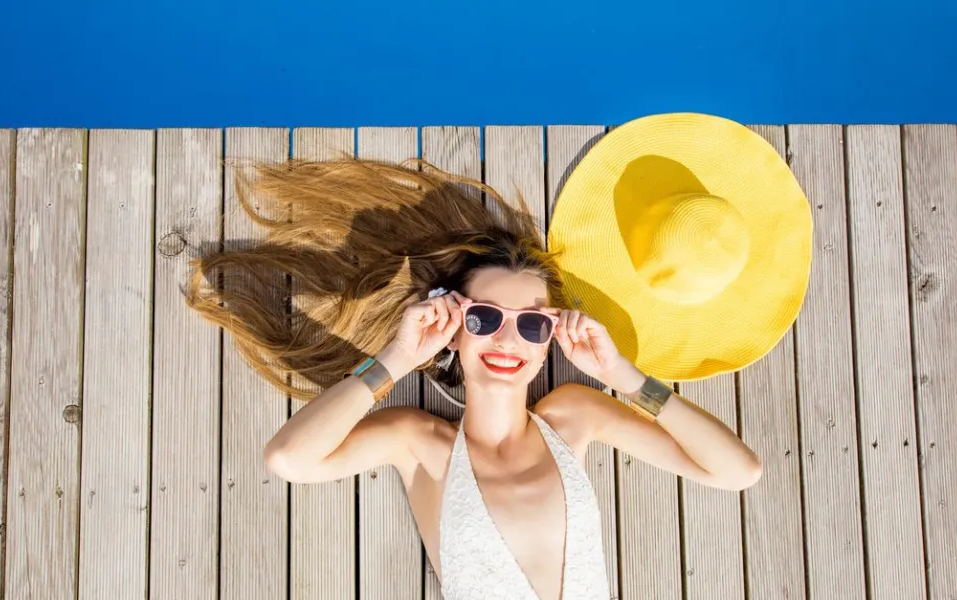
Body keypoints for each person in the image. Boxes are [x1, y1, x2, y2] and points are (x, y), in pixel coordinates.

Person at [186, 113, 812, 600]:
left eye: (532, 324)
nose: (508, 342)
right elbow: (290, 459)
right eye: (484, 319)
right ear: (453, 326)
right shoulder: (420, 443)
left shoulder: (575, 415)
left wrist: (624, 377)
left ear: (549, 341)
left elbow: (738, 472)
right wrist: (395, 358)